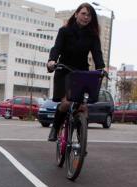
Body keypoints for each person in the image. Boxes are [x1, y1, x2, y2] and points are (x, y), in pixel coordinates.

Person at [46, 3, 105, 142]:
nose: (86, 17)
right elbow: (57, 48)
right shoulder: (64, 31)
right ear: (76, 13)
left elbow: (97, 54)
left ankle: (81, 140)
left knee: (83, 107)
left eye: (89, 15)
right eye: (83, 13)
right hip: (64, 70)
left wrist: (101, 68)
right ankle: (55, 128)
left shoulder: (93, 36)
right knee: (66, 103)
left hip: (81, 73)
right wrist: (52, 61)